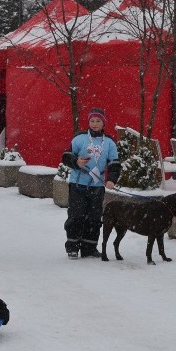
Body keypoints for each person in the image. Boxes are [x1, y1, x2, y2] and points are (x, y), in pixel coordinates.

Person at [60, 108, 120, 260]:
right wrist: (76, 162)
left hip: (97, 186)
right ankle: (72, 247)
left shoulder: (109, 142)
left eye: (98, 121)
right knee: (76, 216)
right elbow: (66, 156)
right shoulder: (80, 138)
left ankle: (89, 247)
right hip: (78, 184)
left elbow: (114, 163)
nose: (95, 124)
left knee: (94, 218)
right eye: (92, 121)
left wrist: (112, 179)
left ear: (103, 123)